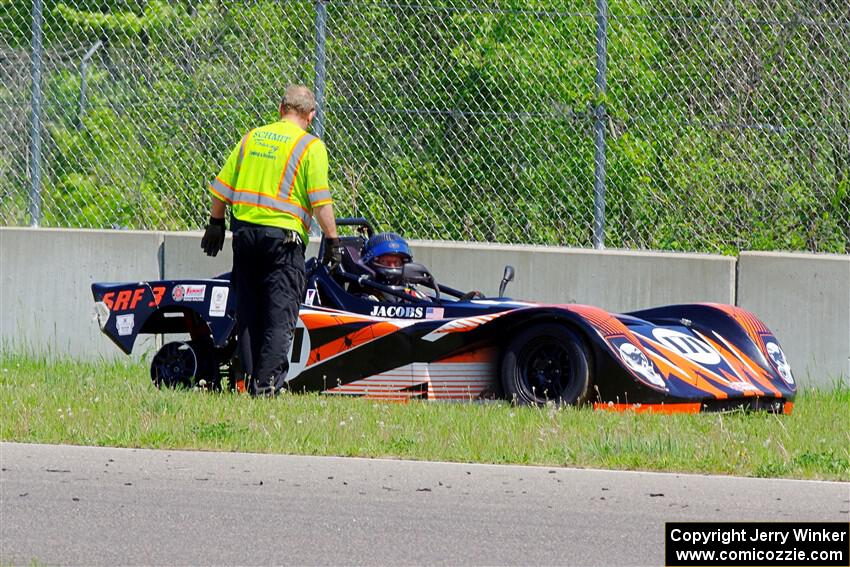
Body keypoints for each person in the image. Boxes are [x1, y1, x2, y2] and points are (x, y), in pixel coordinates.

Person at [200, 85, 343, 397]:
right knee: (280, 313)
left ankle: (251, 381)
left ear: (281, 109)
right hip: (283, 242)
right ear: (311, 115)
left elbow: (221, 187)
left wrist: (215, 223)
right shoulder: (310, 147)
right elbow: (320, 201)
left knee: (249, 312)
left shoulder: (252, 138)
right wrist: (332, 241)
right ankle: (266, 389)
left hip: (245, 237)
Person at [360, 232, 430, 302]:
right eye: (385, 262)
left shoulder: (417, 297)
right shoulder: (363, 299)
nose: (392, 266)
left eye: (397, 262)